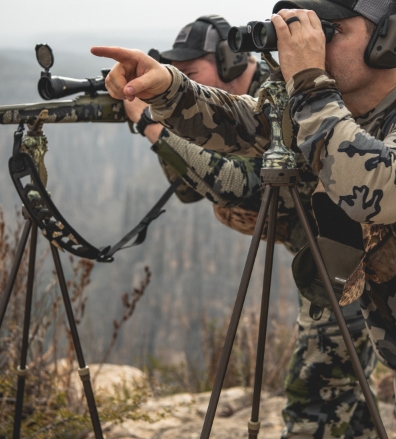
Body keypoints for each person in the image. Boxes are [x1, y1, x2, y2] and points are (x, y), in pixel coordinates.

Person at [90, 2, 396, 436]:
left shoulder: (323, 101)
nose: (308, 45)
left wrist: (308, 81)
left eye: (329, 31)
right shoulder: (328, 106)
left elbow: (375, 185)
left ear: (388, 37)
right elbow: (243, 122)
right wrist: (167, 89)